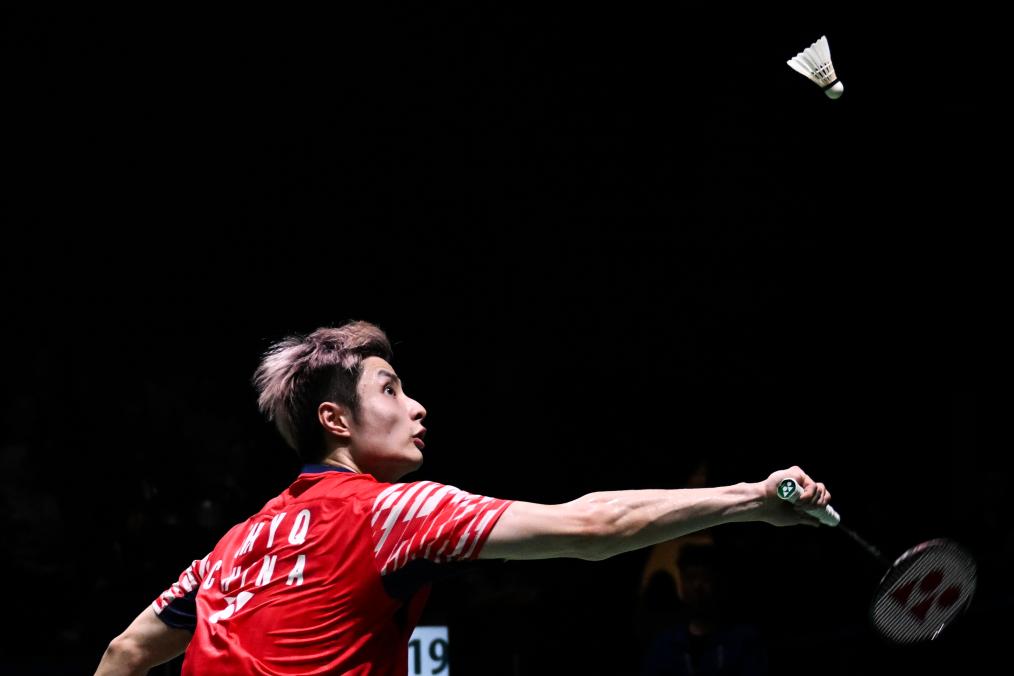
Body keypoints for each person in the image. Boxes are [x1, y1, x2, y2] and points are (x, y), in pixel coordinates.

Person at [95, 320, 831, 675]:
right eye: (391, 390)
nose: (417, 407)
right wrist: (751, 499)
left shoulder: (231, 548)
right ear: (336, 421)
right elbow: (593, 526)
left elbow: (125, 654)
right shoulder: (390, 512)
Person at [640, 543, 767, 676]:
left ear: (718, 581)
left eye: (705, 577)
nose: (697, 586)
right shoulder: (665, 644)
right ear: (681, 583)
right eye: (690, 578)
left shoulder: (743, 640)